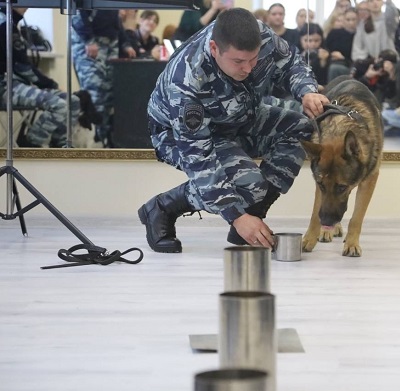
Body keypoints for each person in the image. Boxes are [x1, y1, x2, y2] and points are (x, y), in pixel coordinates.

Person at [138, 8, 328, 253]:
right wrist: (235, 217)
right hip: (179, 136)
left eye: (254, 59)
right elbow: (201, 161)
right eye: (238, 61)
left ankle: (254, 212)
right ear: (215, 49)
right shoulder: (186, 81)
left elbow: (290, 62)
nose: (248, 68)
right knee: (249, 185)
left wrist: (307, 91)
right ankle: (162, 207)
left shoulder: (258, 34)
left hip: (240, 115)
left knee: (302, 128)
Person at [0, 7, 82, 148]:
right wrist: (51, 85)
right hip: (3, 88)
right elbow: (23, 67)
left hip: (13, 83)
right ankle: (31, 146)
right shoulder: (4, 24)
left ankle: (61, 148)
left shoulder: (10, 22)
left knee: (72, 101)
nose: (28, 6)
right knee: (59, 105)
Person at [72, 10, 136, 147]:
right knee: (95, 94)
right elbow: (77, 14)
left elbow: (114, 18)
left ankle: (103, 142)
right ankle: (92, 143)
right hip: (90, 43)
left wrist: (125, 43)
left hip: (110, 42)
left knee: (109, 96)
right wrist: (89, 39)